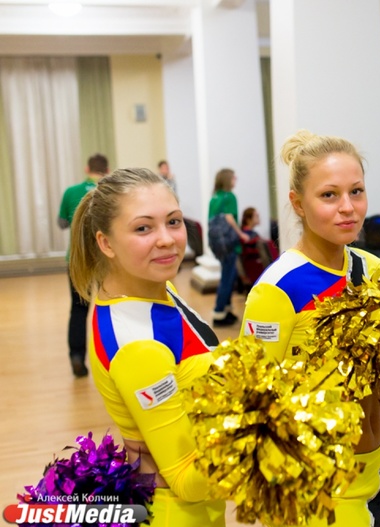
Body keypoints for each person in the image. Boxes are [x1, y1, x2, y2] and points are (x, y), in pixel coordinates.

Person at [241, 130, 380, 527]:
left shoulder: (373, 268)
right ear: (298, 204)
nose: (348, 208)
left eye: (356, 191)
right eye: (329, 195)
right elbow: (253, 401)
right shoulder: (277, 289)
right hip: (317, 484)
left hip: (372, 473)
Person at [69, 168, 225, 526]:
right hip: (177, 514)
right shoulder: (137, 346)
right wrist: (269, 429)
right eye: (143, 228)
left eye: (173, 221)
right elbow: (186, 480)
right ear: (106, 243)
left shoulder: (154, 287)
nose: (167, 239)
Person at [58, 153, 109, 378]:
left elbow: (62, 223)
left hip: (77, 260)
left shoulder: (71, 192)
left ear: (87, 169)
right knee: (108, 307)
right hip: (106, 259)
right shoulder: (109, 192)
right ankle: (110, 359)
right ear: (107, 170)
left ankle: (77, 357)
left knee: (78, 310)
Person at [208, 168, 249, 327]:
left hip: (218, 244)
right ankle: (219, 312)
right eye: (233, 178)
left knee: (227, 275)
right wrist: (241, 234)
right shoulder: (230, 196)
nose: (235, 180)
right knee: (228, 277)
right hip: (229, 243)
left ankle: (226, 310)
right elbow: (230, 218)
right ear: (227, 180)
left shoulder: (214, 197)